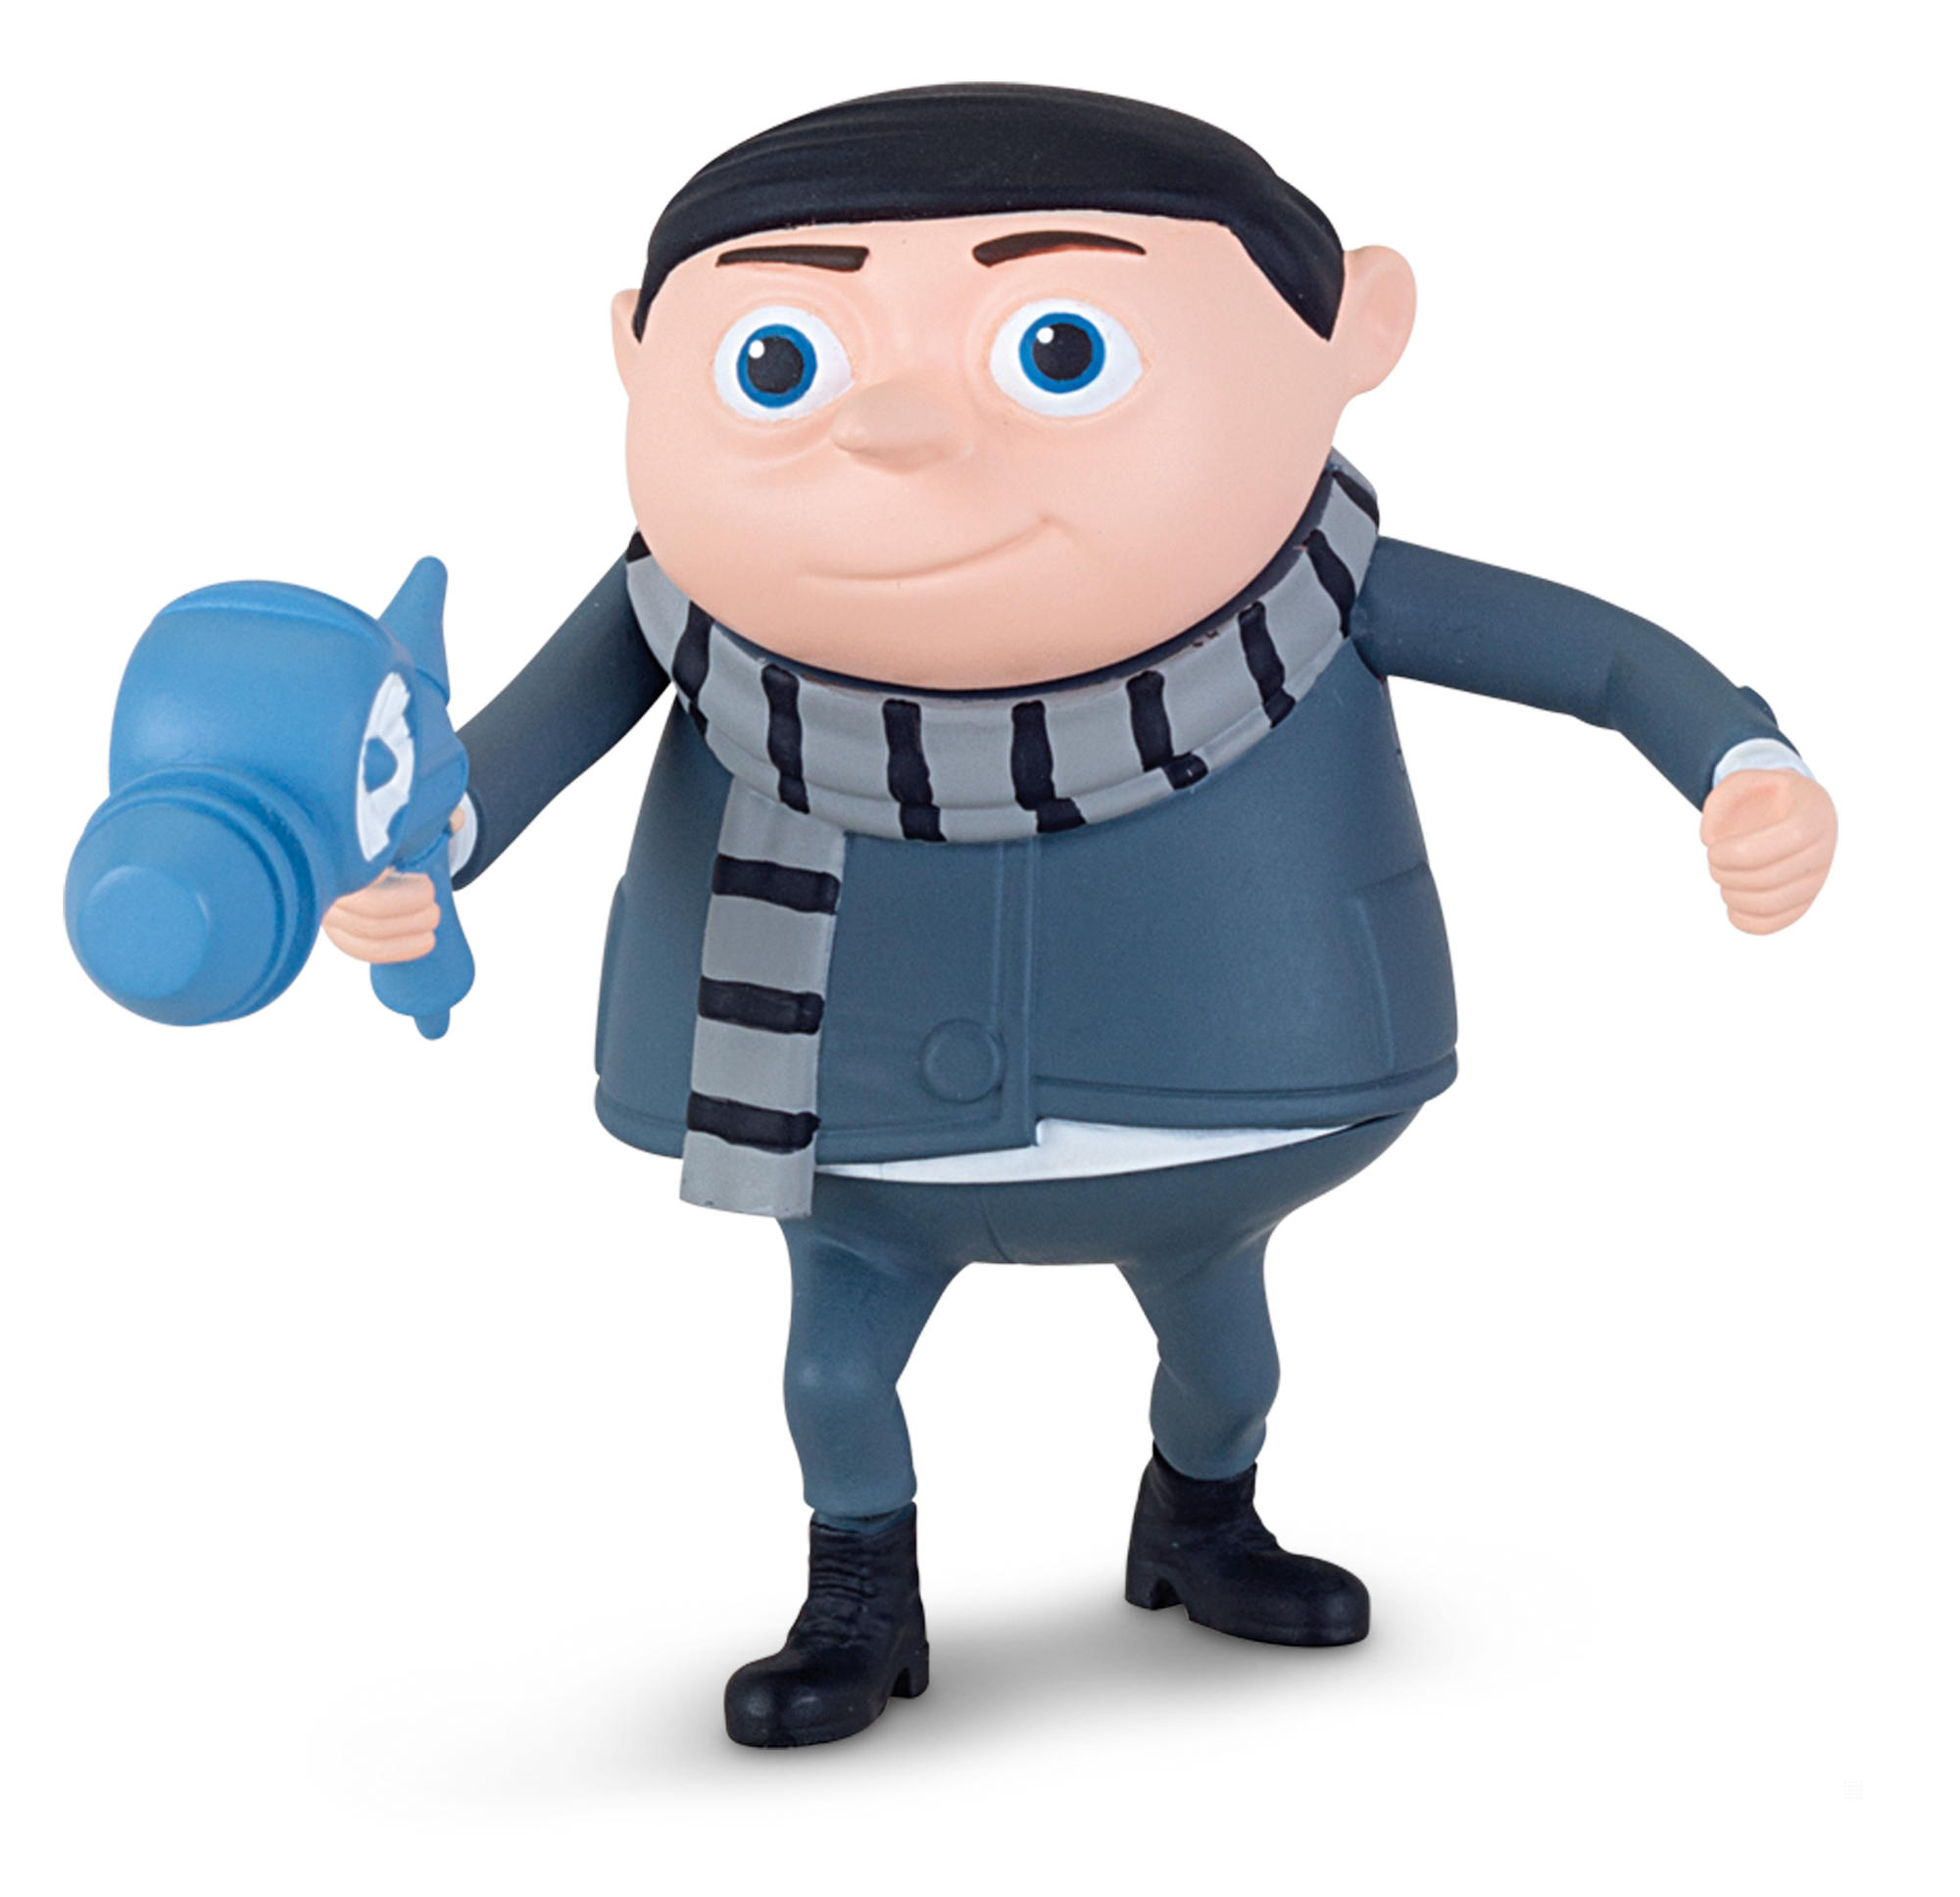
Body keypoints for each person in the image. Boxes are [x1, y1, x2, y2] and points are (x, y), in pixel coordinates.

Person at [322, 84, 1838, 1748]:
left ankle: (1202, 1519)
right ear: (637, 355)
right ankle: (858, 1595)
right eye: (781, 363)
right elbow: (489, 771)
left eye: (1059, 350)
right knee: (833, 1375)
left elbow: (1604, 658)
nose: (898, 432)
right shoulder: (674, 616)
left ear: (1355, 331)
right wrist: (414, 859)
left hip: (1228, 1094)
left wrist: (1742, 766)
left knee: (1230, 1363)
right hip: (844, 1118)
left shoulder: (1330, 590)